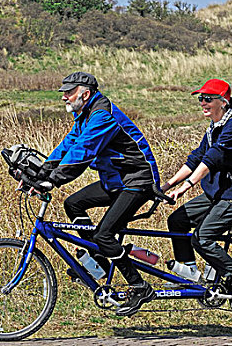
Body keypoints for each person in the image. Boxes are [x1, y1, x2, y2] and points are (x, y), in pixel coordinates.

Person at [34, 71, 160, 317]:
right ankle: (99, 260)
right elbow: (68, 146)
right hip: (116, 181)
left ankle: (139, 285)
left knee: (104, 234)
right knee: (74, 204)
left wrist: (54, 180)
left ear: (86, 94)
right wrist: (41, 173)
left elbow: (84, 150)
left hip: (137, 181)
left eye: (69, 93)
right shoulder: (84, 115)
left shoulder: (102, 115)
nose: (64, 97)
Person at [160, 78, 232, 309]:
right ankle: (190, 273)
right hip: (218, 193)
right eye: (200, 99)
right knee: (177, 220)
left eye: (208, 99)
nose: (203, 103)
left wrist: (186, 187)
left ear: (223, 102)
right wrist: (166, 185)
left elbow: (211, 160)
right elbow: (196, 158)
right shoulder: (214, 128)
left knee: (202, 238)